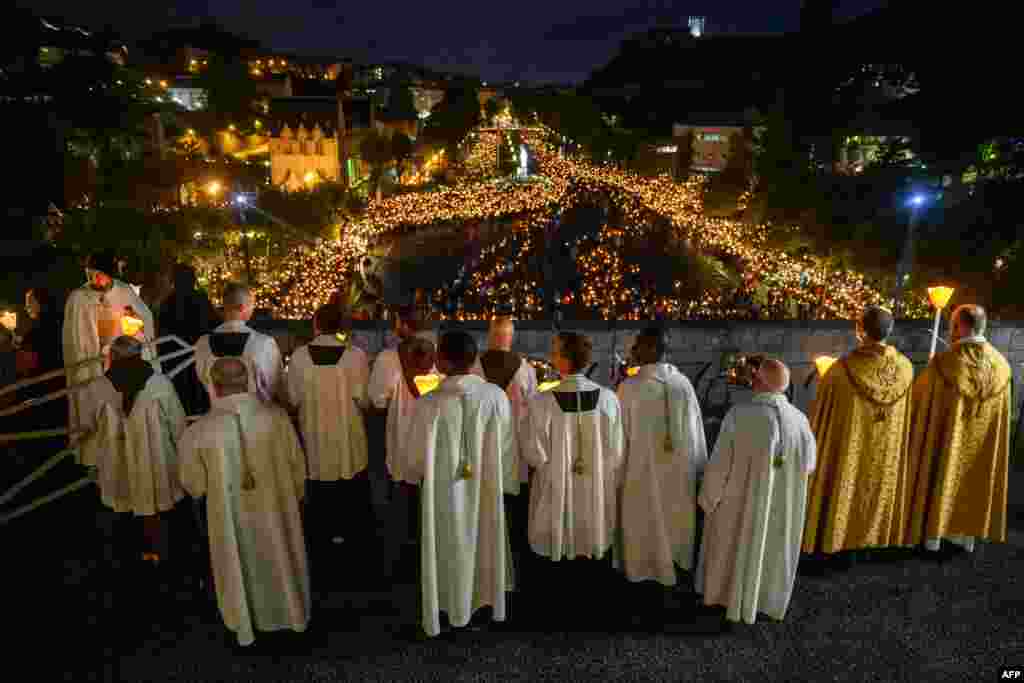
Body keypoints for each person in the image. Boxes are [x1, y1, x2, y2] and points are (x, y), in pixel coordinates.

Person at [179, 357, 311, 648]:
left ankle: (246, 621)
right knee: (281, 553)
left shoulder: (198, 431)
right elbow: (297, 469)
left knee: (239, 561)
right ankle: (291, 615)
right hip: (278, 511)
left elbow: (194, 486)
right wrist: (296, 498)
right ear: (248, 380)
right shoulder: (277, 418)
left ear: (212, 386)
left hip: (230, 517)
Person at [405, 331, 514, 638]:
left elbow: (414, 459)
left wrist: (414, 475)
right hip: (484, 487)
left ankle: (448, 604)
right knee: (483, 538)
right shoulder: (495, 396)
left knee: (447, 541)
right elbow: (506, 447)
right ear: (473, 358)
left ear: (441, 360)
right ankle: (483, 603)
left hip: (444, 493)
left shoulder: (429, 404)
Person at [696, 359, 816, 627]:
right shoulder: (801, 420)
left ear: (758, 381)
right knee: (769, 548)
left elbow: (720, 465)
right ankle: (763, 599)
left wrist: (708, 498)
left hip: (740, 505)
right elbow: (809, 466)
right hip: (780, 506)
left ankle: (727, 597)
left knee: (733, 543)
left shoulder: (740, 414)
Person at [521, 331, 624, 627]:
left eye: (555, 351)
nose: (552, 356)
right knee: (590, 537)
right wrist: (600, 470)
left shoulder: (542, 401)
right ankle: (593, 607)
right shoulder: (608, 399)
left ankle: (553, 608)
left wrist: (550, 466)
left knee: (555, 537)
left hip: (555, 484)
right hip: (594, 486)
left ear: (564, 360)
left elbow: (532, 451)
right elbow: (617, 451)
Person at [802, 307, 914, 562]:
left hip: (848, 451)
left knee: (846, 482)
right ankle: (873, 541)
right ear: (890, 331)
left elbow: (822, 419)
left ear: (859, 330)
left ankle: (837, 540)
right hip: (886, 448)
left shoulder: (841, 370)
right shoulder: (906, 368)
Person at [614, 326, 708, 623]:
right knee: (674, 521)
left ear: (653, 349)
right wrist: (698, 470)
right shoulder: (683, 384)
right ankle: (674, 576)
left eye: (639, 345)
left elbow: (619, 436)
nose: (634, 349)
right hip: (678, 473)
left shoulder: (630, 387)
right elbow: (697, 434)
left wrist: (615, 470)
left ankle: (642, 582)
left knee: (644, 523)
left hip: (640, 471)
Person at [904, 305, 1011, 556]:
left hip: (946, 442)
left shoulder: (944, 364)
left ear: (961, 327)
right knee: (975, 475)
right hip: (980, 446)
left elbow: (918, 404)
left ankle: (932, 536)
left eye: (952, 325)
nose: (949, 331)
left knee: (941, 470)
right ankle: (964, 538)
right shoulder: (1002, 366)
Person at [76, 336, 188, 574]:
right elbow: (177, 424)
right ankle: (158, 556)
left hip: (116, 455)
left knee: (119, 505)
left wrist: (89, 457)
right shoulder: (160, 384)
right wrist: (182, 455)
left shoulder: (97, 387)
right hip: (153, 456)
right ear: (140, 355)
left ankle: (120, 560)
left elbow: (86, 425)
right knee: (153, 507)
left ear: (113, 358)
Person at [285, 304, 371, 587]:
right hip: (348, 436)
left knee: (318, 493)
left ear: (316, 325)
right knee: (350, 492)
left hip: (314, 436)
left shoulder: (298, 357)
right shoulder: (355, 356)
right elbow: (363, 399)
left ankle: (320, 552)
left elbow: (293, 399)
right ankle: (352, 548)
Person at [469, 316, 538, 590]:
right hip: (514, 447)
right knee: (512, 503)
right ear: (510, 337)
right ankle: (513, 554)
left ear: (489, 336)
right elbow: (533, 407)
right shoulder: (525, 369)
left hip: (482, 443)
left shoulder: (474, 366)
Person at [63, 250, 157, 446]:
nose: (94, 279)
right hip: (94, 364)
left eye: (98, 274)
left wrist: (135, 321)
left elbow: (145, 320)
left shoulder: (124, 291)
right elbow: (76, 340)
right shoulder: (79, 298)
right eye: (89, 274)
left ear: (109, 273)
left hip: (122, 363)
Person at [193, 282, 283, 406]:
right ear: (241, 307)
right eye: (252, 305)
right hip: (257, 415)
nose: (253, 309)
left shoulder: (203, 343)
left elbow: (203, 379)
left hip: (218, 416)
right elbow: (275, 384)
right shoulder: (264, 343)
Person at [157, 264, 221, 417]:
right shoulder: (200, 299)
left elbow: (162, 334)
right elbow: (214, 325)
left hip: (174, 359)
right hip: (199, 355)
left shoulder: (167, 303)